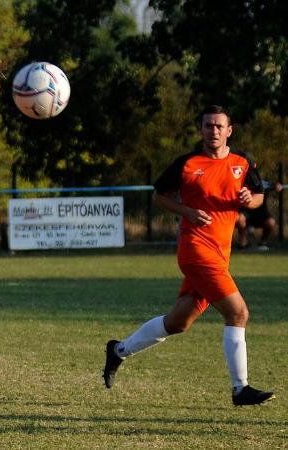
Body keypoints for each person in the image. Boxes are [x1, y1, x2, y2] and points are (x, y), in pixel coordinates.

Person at [103, 105, 275, 406]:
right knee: (238, 313)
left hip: (221, 254)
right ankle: (240, 389)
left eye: (219, 126)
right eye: (208, 126)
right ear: (202, 130)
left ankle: (118, 351)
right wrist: (186, 211)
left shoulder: (243, 162)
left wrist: (251, 199)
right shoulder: (187, 163)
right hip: (195, 250)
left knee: (178, 322)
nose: (214, 131)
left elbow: (259, 195)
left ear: (229, 130)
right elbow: (158, 196)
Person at [236, 180, 283, 250]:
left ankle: (263, 242)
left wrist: (277, 185)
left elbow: (273, 184)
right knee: (240, 219)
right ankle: (243, 242)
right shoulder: (241, 180)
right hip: (246, 211)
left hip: (261, 213)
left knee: (271, 222)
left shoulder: (260, 181)